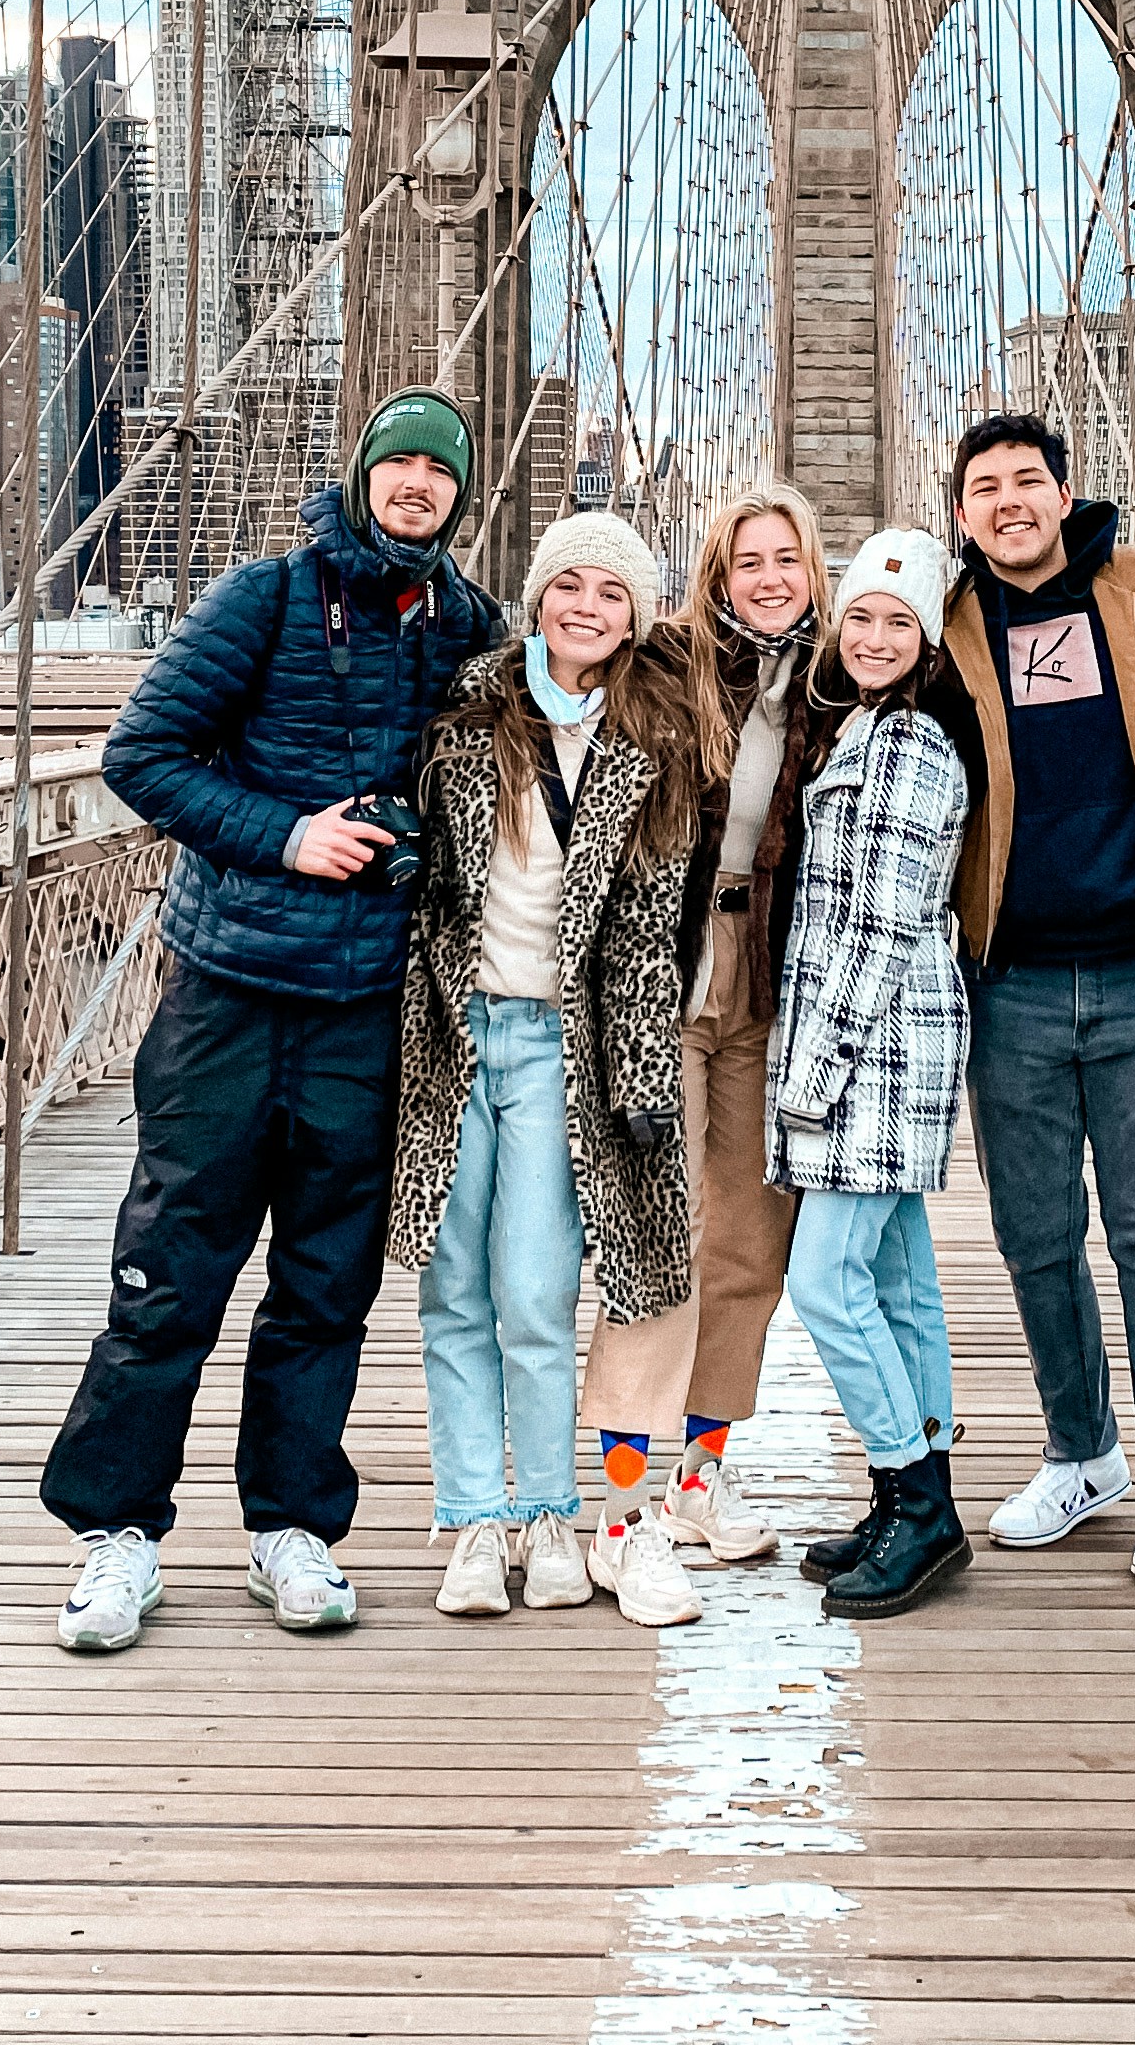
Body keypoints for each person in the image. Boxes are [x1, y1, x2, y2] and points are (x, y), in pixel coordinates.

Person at [42, 389, 503, 1653]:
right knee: (170, 1270)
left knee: (324, 1284)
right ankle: (116, 1538)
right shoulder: (263, 597)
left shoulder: (467, 626)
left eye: (439, 471)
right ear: (362, 472)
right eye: (399, 462)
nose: (417, 484)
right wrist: (290, 836)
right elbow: (141, 756)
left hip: (368, 1006)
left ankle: (291, 1530)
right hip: (229, 996)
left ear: (463, 495)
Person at [388, 512, 707, 1623]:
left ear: (635, 617)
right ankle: (476, 1518)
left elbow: (644, 935)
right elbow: (421, 881)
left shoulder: (651, 742)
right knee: (450, 1286)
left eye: (612, 593)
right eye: (567, 585)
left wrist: (643, 1084)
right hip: (451, 1035)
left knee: (536, 1287)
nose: (586, 606)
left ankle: (549, 1514)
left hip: (560, 1051)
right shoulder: (464, 718)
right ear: (535, 600)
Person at [938, 412, 1135, 1585]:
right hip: (1006, 981)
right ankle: (1083, 1450)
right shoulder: (941, 621)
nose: (1009, 502)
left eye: (1027, 481)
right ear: (960, 513)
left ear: (1065, 494)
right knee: (1037, 1238)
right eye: (985, 487)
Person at [575, 488, 844, 1586]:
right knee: (656, 1230)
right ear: (717, 576)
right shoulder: (662, 663)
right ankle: (623, 1505)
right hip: (663, 967)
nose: (769, 578)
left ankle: (699, 1475)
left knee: (750, 1237)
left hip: (769, 976)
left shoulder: (840, 677)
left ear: (813, 572)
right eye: (748, 562)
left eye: (788, 559)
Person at [770, 527, 978, 1622]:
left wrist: (814, 1072)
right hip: (879, 1047)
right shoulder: (858, 728)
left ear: (929, 642)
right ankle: (917, 1497)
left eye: (902, 623)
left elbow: (883, 927)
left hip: (876, 1051)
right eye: (861, 617)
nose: (877, 636)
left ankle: (913, 1496)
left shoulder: (905, 749)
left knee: (826, 1284)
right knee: (898, 1283)